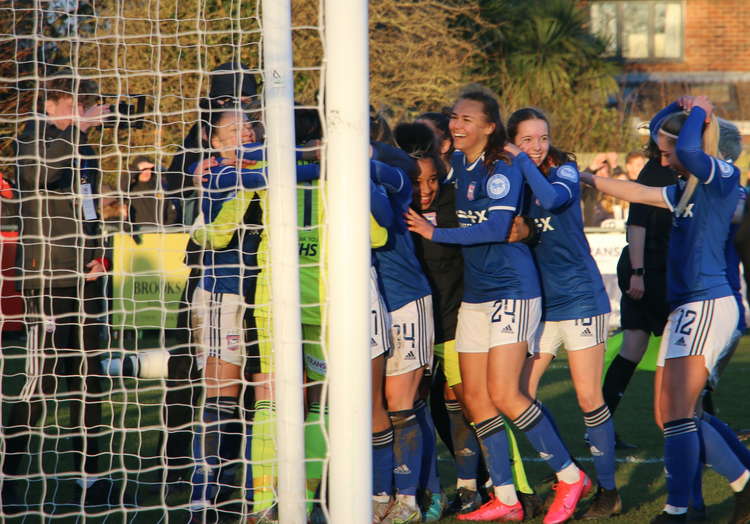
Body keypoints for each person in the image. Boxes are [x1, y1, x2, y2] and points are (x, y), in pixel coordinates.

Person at [406, 90, 589, 524]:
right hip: (477, 295)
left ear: (490, 127)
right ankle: (505, 499)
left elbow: (496, 226)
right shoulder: (460, 166)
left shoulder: (501, 166)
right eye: (454, 117)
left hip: (513, 289)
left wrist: (436, 235)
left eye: (467, 119)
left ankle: (570, 476)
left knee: (507, 393)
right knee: (474, 397)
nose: (457, 124)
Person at [581, 95, 750, 524]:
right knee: (669, 414)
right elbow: (637, 190)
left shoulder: (720, 176)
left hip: (710, 303)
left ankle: (681, 509)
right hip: (686, 306)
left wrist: (697, 111)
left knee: (679, 411)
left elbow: (690, 148)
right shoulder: (685, 188)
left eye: (666, 150)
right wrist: (587, 179)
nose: (662, 157)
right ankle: (739, 483)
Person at [4, 71, 117, 512]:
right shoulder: (29, 141)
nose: (82, 110)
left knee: (88, 381)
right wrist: (77, 132)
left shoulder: (83, 147)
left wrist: (100, 254)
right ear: (50, 105)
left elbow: (90, 206)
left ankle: (92, 481)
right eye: (73, 103)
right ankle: (8, 477)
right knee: (42, 382)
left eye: (84, 103)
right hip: (45, 279)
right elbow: (42, 173)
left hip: (86, 281)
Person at [506, 107, 619, 518]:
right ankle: (567, 471)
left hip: (580, 300)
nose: (537, 147)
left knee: (589, 396)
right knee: (517, 395)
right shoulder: (511, 183)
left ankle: (608, 491)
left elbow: (554, 202)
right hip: (541, 306)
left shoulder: (566, 172)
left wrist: (518, 161)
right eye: (527, 140)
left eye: (542, 138)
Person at [601, 140, 675, 449]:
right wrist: (638, 272)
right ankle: (695, 421)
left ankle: (599, 428)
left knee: (634, 347)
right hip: (650, 269)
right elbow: (638, 225)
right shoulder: (656, 172)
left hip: (660, 268)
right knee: (683, 348)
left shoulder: (682, 171)